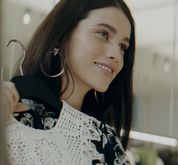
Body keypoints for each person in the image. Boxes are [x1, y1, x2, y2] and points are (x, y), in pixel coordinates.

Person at [1, 0, 136, 164]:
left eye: (123, 46)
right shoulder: (10, 118)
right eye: (103, 34)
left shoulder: (107, 144)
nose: (117, 55)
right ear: (63, 34)